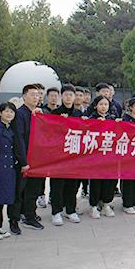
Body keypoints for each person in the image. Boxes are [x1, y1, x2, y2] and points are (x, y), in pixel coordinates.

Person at [0, 102, 29, 240]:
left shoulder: (10, 129)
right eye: (6, 111)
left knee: (1, 198)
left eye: (12, 112)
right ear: (0, 112)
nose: (9, 114)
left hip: (8, 169)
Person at [49, 84, 83, 226]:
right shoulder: (55, 113)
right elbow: (50, 132)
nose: (68, 97)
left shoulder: (79, 114)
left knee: (72, 184)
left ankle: (70, 210)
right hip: (58, 155)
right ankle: (56, 212)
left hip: (74, 155)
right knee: (57, 184)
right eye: (66, 94)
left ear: (74, 97)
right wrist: (60, 122)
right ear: (61, 96)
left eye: (71, 95)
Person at [12, 84, 44, 232]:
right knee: (19, 191)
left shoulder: (38, 113)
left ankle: (29, 215)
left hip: (37, 160)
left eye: (38, 95)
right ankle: (15, 220)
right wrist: (23, 162)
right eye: (32, 95)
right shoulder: (20, 114)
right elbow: (18, 139)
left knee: (33, 190)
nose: (36, 97)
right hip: (24, 160)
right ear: (24, 96)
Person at [84, 96, 118, 218]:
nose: (104, 107)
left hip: (110, 156)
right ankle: (93, 206)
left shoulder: (113, 119)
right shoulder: (90, 118)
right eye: (101, 104)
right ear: (96, 105)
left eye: (106, 104)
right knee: (95, 181)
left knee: (109, 181)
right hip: (96, 157)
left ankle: (106, 204)